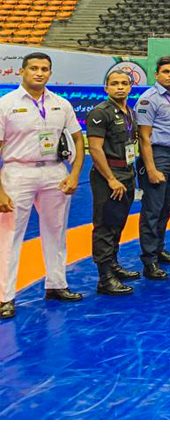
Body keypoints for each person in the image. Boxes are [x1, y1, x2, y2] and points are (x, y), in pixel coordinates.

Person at [0, 52, 85, 319]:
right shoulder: (6, 104)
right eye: (34, 68)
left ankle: (56, 284)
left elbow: (78, 140)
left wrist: (74, 174)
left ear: (50, 73)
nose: (39, 73)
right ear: (22, 71)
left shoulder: (61, 103)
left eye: (45, 69)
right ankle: (4, 297)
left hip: (54, 173)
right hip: (17, 172)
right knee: (9, 237)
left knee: (56, 231)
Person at [86, 70, 141, 296]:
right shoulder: (100, 112)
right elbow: (95, 149)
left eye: (124, 83)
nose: (120, 87)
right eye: (114, 84)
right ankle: (105, 278)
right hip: (108, 174)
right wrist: (110, 179)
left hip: (126, 172)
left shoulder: (130, 111)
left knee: (118, 223)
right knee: (105, 226)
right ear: (106, 88)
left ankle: (114, 265)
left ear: (130, 87)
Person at [136, 56, 170, 280]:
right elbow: (143, 137)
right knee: (152, 210)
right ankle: (149, 261)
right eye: (166, 71)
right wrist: (150, 169)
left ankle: (159, 249)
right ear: (156, 74)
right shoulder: (149, 99)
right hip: (157, 156)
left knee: (166, 208)